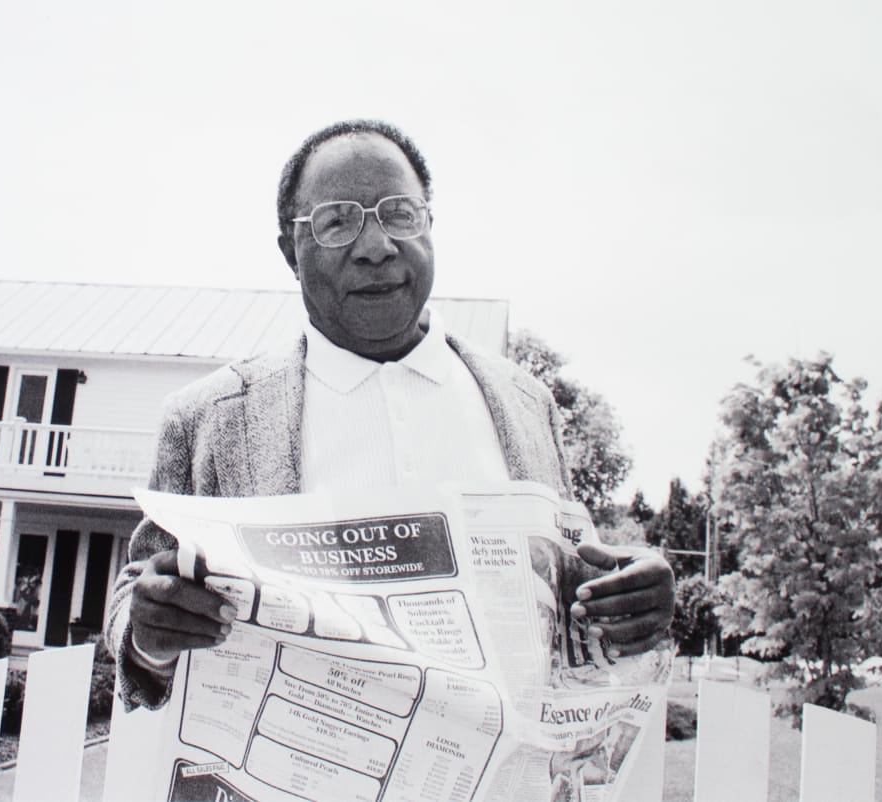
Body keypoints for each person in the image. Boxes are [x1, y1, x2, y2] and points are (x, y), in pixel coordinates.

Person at [105, 120, 675, 710]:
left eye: (400, 213)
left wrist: (631, 604)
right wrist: (147, 639)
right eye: (337, 222)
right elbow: (138, 604)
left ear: (430, 225)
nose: (376, 245)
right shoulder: (209, 421)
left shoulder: (527, 404)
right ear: (290, 254)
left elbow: (572, 602)